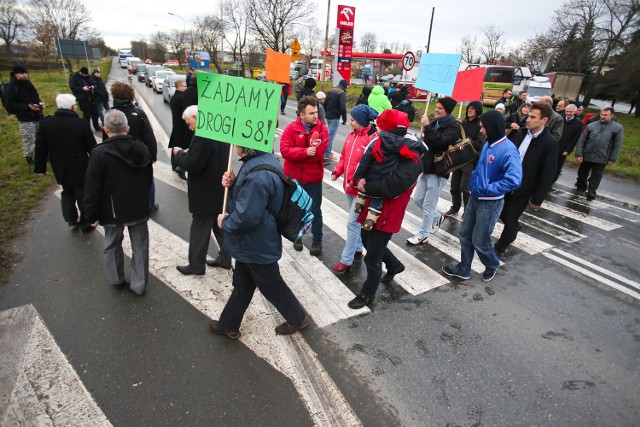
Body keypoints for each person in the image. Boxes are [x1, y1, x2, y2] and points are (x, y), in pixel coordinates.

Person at [208, 146, 310, 339]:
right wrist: (234, 182)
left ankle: (298, 318)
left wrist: (226, 222)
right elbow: (253, 199)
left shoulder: (258, 176)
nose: (235, 145)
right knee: (243, 284)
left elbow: (247, 216)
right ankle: (228, 324)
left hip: (255, 243)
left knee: (271, 284)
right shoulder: (264, 161)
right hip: (255, 241)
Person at [347, 114, 424, 309]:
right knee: (367, 240)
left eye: (380, 126)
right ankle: (394, 265)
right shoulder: (382, 144)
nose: (377, 130)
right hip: (373, 204)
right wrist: (360, 180)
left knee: (372, 255)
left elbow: (394, 186)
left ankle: (367, 294)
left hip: (389, 209)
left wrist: (366, 186)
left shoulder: (412, 156)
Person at [442, 110, 522, 282]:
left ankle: (492, 264)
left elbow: (514, 180)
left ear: (493, 127)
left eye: (484, 127)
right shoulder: (488, 143)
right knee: (465, 234)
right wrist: (474, 183)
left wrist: (489, 188)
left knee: (480, 239)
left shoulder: (509, 150)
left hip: (490, 203)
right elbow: (480, 167)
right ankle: (464, 269)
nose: (482, 131)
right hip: (475, 198)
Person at [84, 109, 153, 296]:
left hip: (111, 209)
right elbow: (148, 179)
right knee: (140, 246)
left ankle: (116, 279)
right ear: (128, 128)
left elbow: (92, 188)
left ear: (106, 130)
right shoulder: (141, 148)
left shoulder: (99, 154)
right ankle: (139, 285)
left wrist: (92, 214)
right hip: (138, 206)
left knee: (112, 244)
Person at [493, 102, 558, 258]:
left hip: (524, 188)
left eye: (533, 117)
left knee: (510, 219)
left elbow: (548, 173)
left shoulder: (549, 142)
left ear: (544, 120)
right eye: (528, 115)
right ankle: (514, 227)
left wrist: (538, 197)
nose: (528, 119)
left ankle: (500, 248)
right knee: (501, 212)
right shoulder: (520, 133)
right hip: (506, 182)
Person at [173, 105, 232, 274]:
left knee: (199, 228)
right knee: (218, 225)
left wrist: (179, 154)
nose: (189, 127)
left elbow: (193, 163)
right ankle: (226, 258)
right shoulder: (220, 129)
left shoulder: (203, 134)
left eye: (189, 122)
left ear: (196, 117)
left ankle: (196, 266)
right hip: (220, 189)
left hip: (205, 191)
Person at [352, 109, 425, 231]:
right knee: (368, 241)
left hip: (389, 204)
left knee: (375, 246)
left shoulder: (379, 141)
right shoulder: (407, 145)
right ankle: (370, 214)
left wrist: (360, 180)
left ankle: (361, 201)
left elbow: (365, 162)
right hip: (381, 195)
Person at [34, 94, 96, 230]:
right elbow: (91, 147)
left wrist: (40, 168)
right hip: (80, 166)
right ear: (73, 107)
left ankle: (71, 219)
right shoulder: (81, 124)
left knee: (67, 192)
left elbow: (40, 147)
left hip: (59, 166)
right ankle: (86, 223)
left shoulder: (45, 124)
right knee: (82, 194)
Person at [330, 105, 379, 273]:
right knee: (355, 222)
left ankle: (346, 260)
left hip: (361, 191)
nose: (350, 122)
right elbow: (344, 156)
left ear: (363, 121)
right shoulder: (351, 136)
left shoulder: (372, 139)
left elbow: (372, 166)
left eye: (353, 120)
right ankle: (358, 246)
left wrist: (359, 181)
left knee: (352, 223)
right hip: (349, 187)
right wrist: (338, 170)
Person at [407, 97, 462, 245]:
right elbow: (428, 143)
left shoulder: (454, 126)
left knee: (428, 205)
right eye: (436, 107)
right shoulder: (435, 123)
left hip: (439, 171)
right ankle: (437, 217)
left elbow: (441, 142)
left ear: (448, 111)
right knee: (418, 199)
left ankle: (424, 234)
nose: (436, 110)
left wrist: (427, 127)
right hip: (427, 168)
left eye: (440, 108)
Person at [279, 96, 329, 256]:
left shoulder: (322, 130)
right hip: (294, 178)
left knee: (315, 210)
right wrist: (304, 152)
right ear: (301, 115)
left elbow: (318, 154)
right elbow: (285, 150)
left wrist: (302, 153)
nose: (316, 115)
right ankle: (297, 237)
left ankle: (317, 241)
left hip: (313, 178)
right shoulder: (291, 129)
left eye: (316, 112)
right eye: (311, 113)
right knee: (295, 210)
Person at [108, 81, 159, 210]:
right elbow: (149, 136)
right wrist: (152, 155)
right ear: (130, 95)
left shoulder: (109, 115)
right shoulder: (138, 113)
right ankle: (150, 204)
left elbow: (106, 137)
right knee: (148, 180)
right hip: (139, 153)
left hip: (116, 154)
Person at [574, 107, 624, 201]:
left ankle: (591, 193)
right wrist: (579, 154)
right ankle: (581, 189)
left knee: (596, 177)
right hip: (587, 155)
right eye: (602, 114)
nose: (603, 116)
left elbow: (617, 145)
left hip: (602, 157)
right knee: (582, 173)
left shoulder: (617, 128)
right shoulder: (591, 125)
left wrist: (612, 159)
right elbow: (582, 140)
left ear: (611, 116)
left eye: (605, 115)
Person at [444, 100, 484, 217]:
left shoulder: (479, 125)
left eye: (473, 108)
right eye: (469, 108)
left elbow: (479, 142)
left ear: (477, 110)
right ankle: (455, 207)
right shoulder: (463, 123)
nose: (470, 110)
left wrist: (466, 143)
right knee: (454, 186)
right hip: (459, 158)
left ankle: (467, 211)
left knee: (465, 187)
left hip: (470, 160)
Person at [5, 65, 45, 165]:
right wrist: (27, 107)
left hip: (37, 114)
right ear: (16, 74)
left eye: (25, 73)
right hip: (25, 117)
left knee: (40, 136)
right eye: (22, 73)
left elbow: (35, 96)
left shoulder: (28, 84)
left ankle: (42, 155)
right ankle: (29, 157)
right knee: (29, 138)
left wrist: (39, 103)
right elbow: (10, 104)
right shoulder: (11, 87)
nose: (24, 75)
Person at [168, 78, 191, 180]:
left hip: (176, 126)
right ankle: (180, 168)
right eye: (185, 86)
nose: (186, 87)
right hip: (182, 128)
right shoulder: (181, 98)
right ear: (179, 86)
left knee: (175, 146)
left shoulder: (174, 97)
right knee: (181, 148)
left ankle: (174, 166)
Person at [554, 104, 583, 181]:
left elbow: (575, 138)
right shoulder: (560, 118)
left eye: (571, 112)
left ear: (575, 112)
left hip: (564, 148)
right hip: (554, 145)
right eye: (567, 111)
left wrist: (568, 150)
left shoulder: (578, 123)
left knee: (557, 167)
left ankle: (552, 181)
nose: (568, 113)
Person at [323, 79, 348, 163]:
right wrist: (344, 119)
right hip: (335, 117)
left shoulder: (331, 91)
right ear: (344, 86)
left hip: (328, 116)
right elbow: (343, 107)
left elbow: (325, 103)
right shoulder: (341, 93)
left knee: (328, 135)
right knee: (331, 137)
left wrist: (325, 112)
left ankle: (327, 151)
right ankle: (327, 154)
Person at [69, 66, 100, 131]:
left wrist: (92, 87)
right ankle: (86, 129)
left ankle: (96, 126)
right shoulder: (74, 77)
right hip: (83, 98)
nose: (86, 75)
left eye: (86, 74)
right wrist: (82, 88)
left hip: (91, 97)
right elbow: (73, 87)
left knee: (95, 113)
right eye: (84, 75)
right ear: (81, 73)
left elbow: (93, 83)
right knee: (87, 114)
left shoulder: (88, 76)